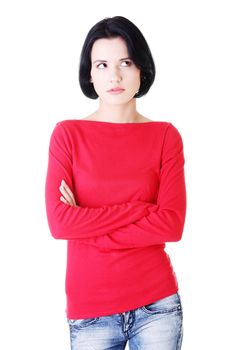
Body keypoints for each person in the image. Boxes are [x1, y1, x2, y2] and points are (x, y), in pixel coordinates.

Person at [45, 15, 186, 350]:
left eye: (125, 62)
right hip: (90, 310)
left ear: (142, 68)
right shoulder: (68, 135)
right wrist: (139, 209)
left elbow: (171, 225)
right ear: (90, 74)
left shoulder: (165, 136)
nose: (115, 76)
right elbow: (59, 222)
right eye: (102, 64)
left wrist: (90, 227)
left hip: (157, 306)